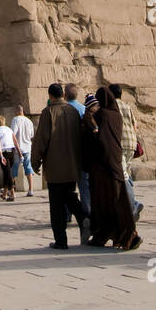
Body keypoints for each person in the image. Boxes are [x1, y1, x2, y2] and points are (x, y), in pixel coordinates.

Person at [32, 83, 90, 249]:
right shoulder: (73, 112)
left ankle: (61, 240)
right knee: (69, 195)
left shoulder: (48, 112)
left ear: (50, 96)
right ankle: (84, 216)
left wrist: (35, 161)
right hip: (72, 164)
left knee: (57, 204)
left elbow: (41, 140)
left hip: (55, 166)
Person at [83, 87, 140, 250]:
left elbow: (98, 137)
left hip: (104, 165)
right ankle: (124, 234)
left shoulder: (103, 115)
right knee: (118, 201)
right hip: (116, 161)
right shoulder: (117, 116)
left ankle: (110, 234)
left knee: (104, 202)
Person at [108, 84, 142, 221]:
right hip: (131, 143)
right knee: (125, 173)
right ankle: (126, 204)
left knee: (122, 175)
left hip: (119, 143)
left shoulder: (111, 106)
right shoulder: (127, 106)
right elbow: (134, 125)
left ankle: (133, 203)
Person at [64, 83, 91, 214]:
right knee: (84, 186)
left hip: (67, 153)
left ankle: (68, 213)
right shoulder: (83, 109)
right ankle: (87, 212)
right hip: (83, 152)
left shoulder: (63, 109)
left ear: (65, 94)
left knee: (67, 187)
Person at [10, 105, 35, 197]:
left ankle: (10, 188)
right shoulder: (29, 121)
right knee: (28, 166)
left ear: (17, 111)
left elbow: (13, 133)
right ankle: (31, 189)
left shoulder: (15, 120)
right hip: (27, 146)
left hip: (18, 148)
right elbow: (32, 135)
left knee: (14, 168)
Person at [0, 116, 18, 201]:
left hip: (3, 152)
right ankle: (4, 193)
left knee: (8, 172)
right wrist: (19, 153)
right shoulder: (9, 129)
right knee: (6, 172)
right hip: (11, 151)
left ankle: (12, 193)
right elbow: (15, 141)